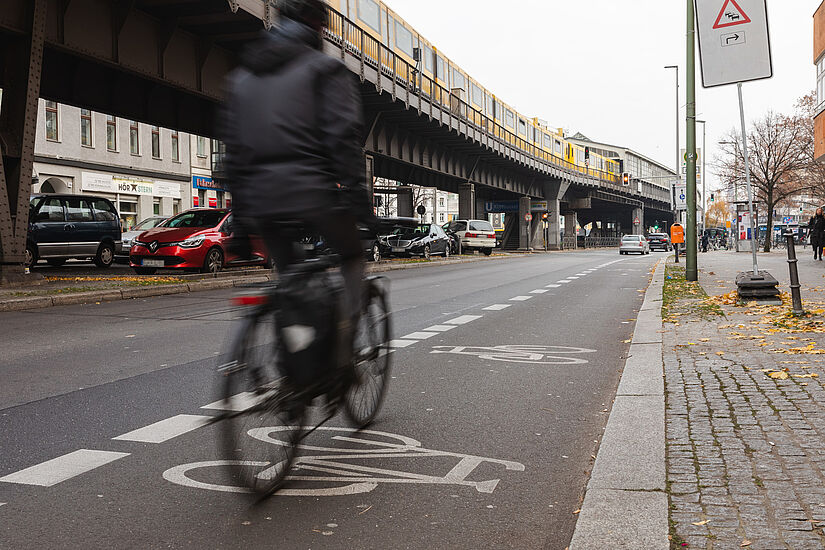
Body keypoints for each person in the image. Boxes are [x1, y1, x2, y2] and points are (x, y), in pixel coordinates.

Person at [219, 0, 376, 365]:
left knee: (291, 280)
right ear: (317, 26)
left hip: (260, 199)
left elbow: (235, 155)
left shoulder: (241, 79)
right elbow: (342, 141)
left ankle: (294, 367)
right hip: (311, 191)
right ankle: (343, 352)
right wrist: (361, 205)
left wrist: (241, 220)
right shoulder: (326, 70)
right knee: (352, 255)